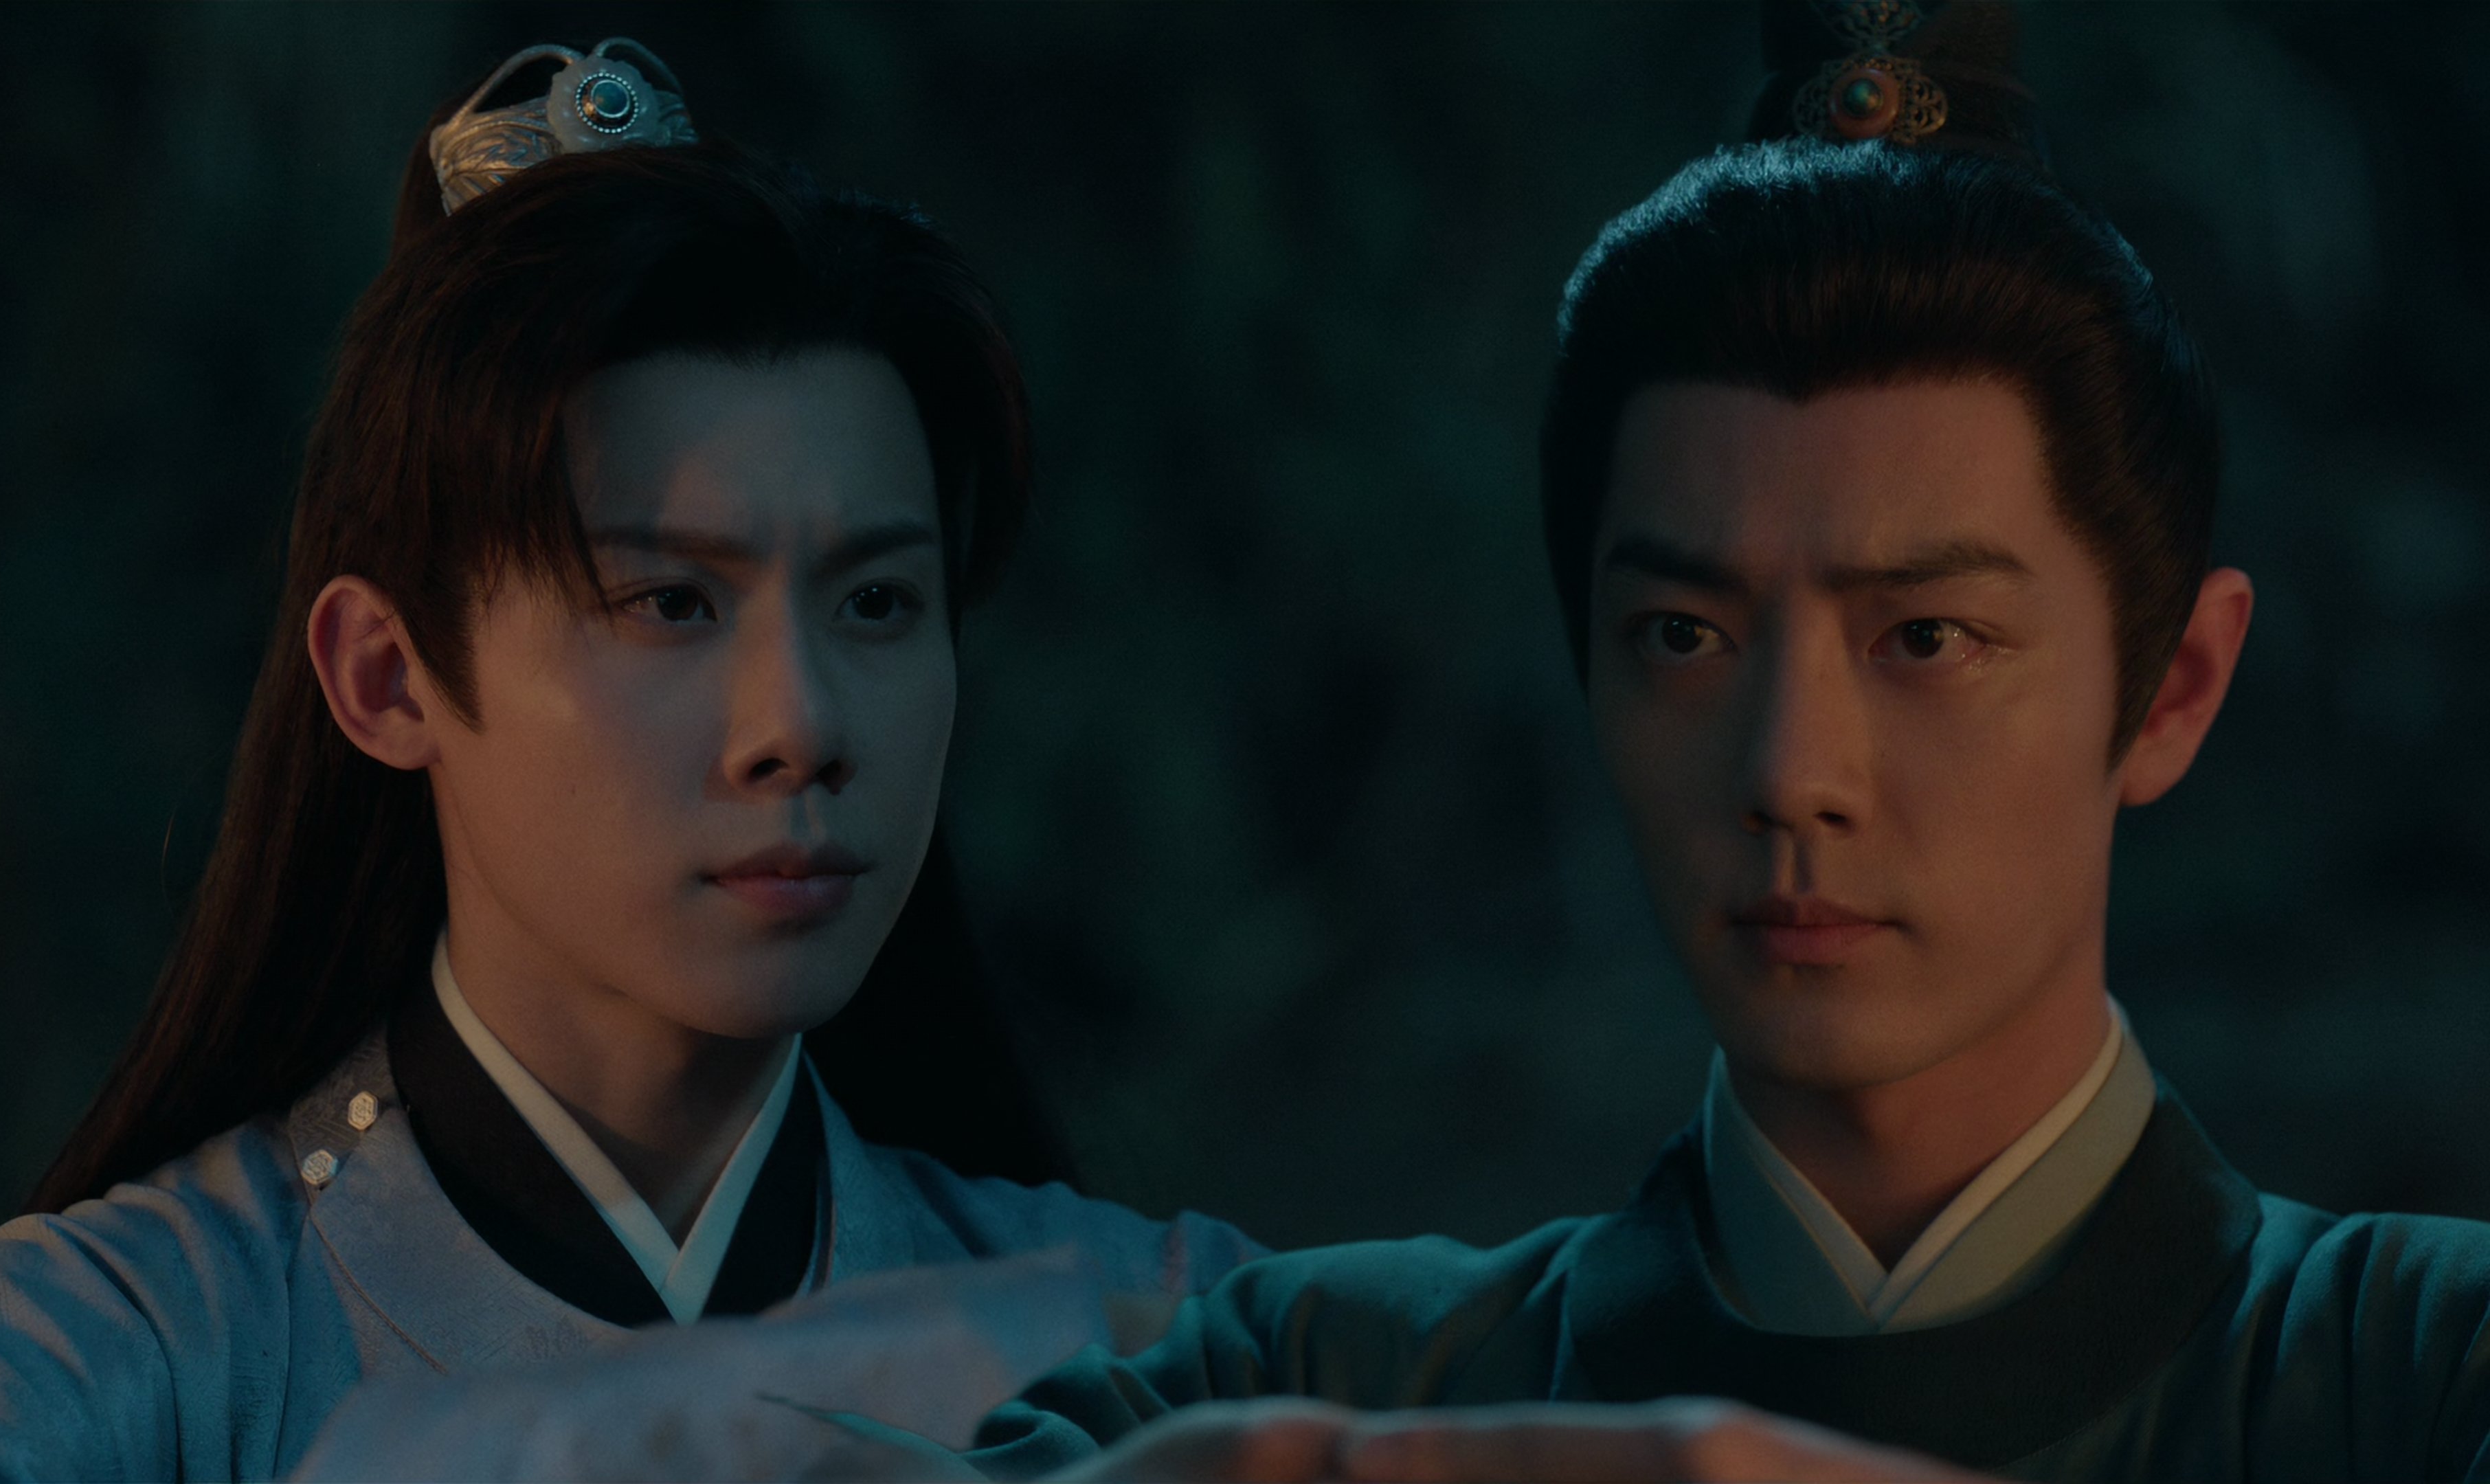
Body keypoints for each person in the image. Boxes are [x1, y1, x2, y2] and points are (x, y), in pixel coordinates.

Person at [967, 3, 2490, 1479]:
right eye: (1685, 638)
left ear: (2172, 690)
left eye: (1926, 639)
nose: (1790, 775)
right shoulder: (1304, 1382)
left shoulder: (2422, 1368)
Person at [0, 40, 1259, 1481]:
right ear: (387, 677)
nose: (804, 726)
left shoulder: (1189, 1345)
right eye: (671, 604)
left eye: (880, 602)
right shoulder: (79, 1370)